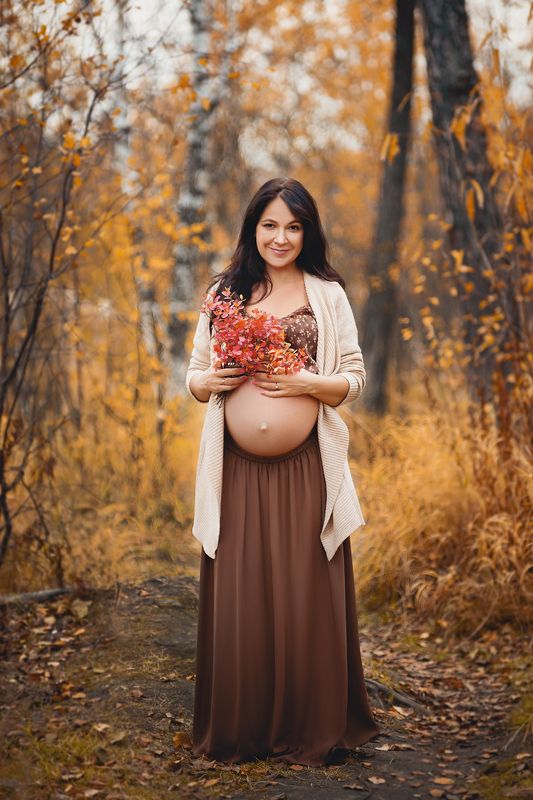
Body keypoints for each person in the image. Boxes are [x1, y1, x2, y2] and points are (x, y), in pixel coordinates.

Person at [185, 177, 381, 766]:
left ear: (307, 232)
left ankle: (311, 724)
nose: (280, 237)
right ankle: (241, 730)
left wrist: (305, 384)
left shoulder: (327, 294)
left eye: (293, 226)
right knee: (242, 599)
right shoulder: (225, 292)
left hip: (306, 472)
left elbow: (353, 377)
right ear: (252, 229)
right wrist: (208, 383)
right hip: (236, 473)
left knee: (304, 597)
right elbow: (193, 374)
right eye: (269, 225)